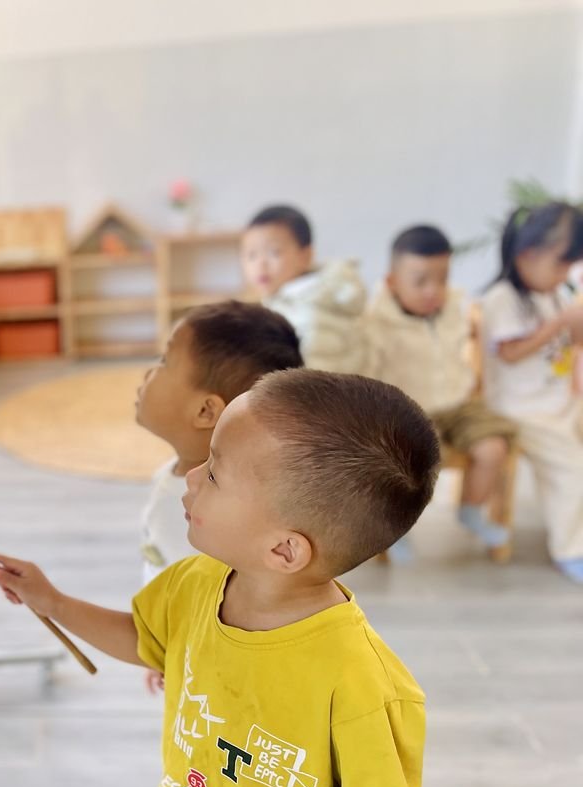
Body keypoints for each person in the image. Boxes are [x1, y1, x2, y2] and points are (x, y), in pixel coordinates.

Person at [0, 369, 438, 787]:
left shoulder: (363, 682)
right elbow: (147, 640)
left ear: (284, 549)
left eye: (214, 474)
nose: (190, 476)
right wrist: (52, 602)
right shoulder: (195, 582)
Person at [136, 300, 302, 692]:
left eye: (164, 361)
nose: (148, 372)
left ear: (206, 411)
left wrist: (168, 646)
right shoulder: (175, 476)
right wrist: (162, 641)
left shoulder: (202, 512)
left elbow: (215, 613)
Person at [365, 224, 517, 559]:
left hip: (458, 404)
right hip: (409, 411)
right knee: (415, 463)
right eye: (420, 281)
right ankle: (395, 527)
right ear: (392, 282)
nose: (433, 291)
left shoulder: (455, 308)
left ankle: (471, 510)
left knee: (493, 447)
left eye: (442, 279)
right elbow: (367, 372)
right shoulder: (376, 322)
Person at [479, 202, 583, 583]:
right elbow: (510, 353)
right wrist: (558, 323)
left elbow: (572, 341)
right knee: (572, 468)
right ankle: (571, 550)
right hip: (521, 410)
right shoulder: (501, 299)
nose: (565, 275)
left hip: (559, 402)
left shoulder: (553, 294)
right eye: (561, 265)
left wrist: (573, 322)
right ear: (527, 256)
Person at [241, 205, 369, 374]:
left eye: (274, 252)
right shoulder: (284, 302)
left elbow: (313, 379)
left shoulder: (312, 312)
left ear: (305, 256)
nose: (260, 264)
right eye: (251, 255)